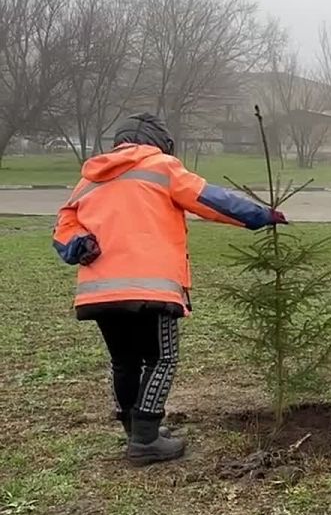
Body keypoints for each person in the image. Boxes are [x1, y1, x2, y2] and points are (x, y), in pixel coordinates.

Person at [52, 112, 287, 466]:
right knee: (162, 358)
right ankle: (146, 440)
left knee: (124, 361)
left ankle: (135, 433)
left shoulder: (87, 180)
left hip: (98, 291)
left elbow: (63, 227)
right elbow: (210, 199)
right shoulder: (160, 166)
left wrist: (79, 244)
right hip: (151, 289)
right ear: (157, 142)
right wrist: (259, 215)